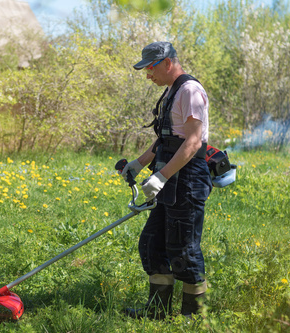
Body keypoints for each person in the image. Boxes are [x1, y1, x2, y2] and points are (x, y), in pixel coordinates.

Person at [120, 41, 212, 319]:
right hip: (170, 175)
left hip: (188, 179)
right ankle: (157, 311)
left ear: (167, 63)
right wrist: (139, 164)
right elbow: (168, 139)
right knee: (153, 243)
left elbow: (193, 142)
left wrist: (161, 176)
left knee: (183, 248)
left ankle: (193, 317)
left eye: (150, 68)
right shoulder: (172, 91)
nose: (148, 75)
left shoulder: (190, 91)